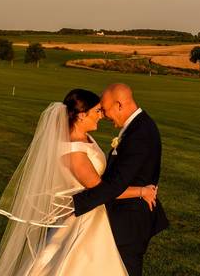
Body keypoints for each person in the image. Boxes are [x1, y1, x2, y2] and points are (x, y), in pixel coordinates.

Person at [0, 89, 158, 276]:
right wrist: (141, 191)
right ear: (81, 115)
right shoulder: (74, 152)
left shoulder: (86, 138)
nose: (101, 115)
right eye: (96, 111)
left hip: (95, 211)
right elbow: (101, 188)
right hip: (85, 217)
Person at [72, 83, 169, 276]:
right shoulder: (138, 126)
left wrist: (76, 203)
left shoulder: (140, 133)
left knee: (125, 270)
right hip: (125, 214)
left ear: (119, 105)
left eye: (105, 110)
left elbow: (117, 183)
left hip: (130, 220)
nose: (104, 115)